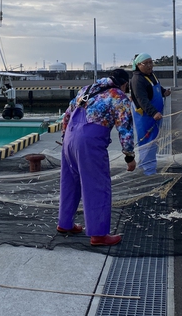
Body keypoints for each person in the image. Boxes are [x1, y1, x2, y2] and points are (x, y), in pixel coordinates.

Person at [58, 69, 136, 246]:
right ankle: (99, 234)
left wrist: (65, 138)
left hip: (70, 137)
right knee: (97, 185)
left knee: (70, 182)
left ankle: (65, 223)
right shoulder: (118, 96)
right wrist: (129, 156)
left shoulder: (86, 89)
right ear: (124, 83)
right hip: (90, 141)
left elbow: (67, 114)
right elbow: (125, 128)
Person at [129, 53, 171, 175]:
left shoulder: (151, 75)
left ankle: (145, 165)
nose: (149, 65)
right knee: (148, 143)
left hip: (155, 115)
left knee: (154, 141)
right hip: (146, 117)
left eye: (150, 62)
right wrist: (153, 113)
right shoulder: (138, 79)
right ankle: (149, 170)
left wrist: (164, 92)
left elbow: (157, 87)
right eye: (145, 63)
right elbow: (142, 100)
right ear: (138, 65)